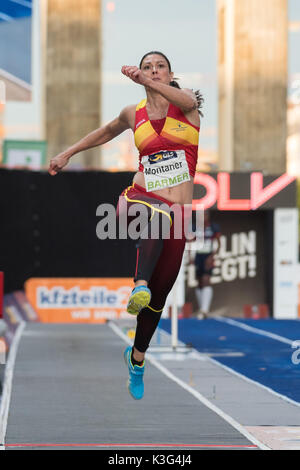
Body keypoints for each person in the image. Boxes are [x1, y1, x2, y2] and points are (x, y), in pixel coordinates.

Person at [48, 51, 203, 400]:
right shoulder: (133, 114)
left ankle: (136, 359)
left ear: (170, 72)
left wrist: (146, 81)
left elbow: (186, 96)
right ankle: (139, 283)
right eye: (147, 67)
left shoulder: (188, 107)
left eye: (159, 67)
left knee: (159, 298)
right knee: (156, 215)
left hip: (178, 214)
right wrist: (67, 153)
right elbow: (105, 132)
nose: (153, 71)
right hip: (138, 197)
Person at [193, 211, 221, 319]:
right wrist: (191, 256)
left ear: (208, 216)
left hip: (208, 256)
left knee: (206, 280)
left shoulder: (214, 227)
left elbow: (219, 244)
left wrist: (212, 257)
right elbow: (191, 241)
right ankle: (202, 308)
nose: (203, 217)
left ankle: (205, 310)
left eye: (205, 215)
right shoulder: (195, 227)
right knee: (199, 282)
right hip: (198, 255)